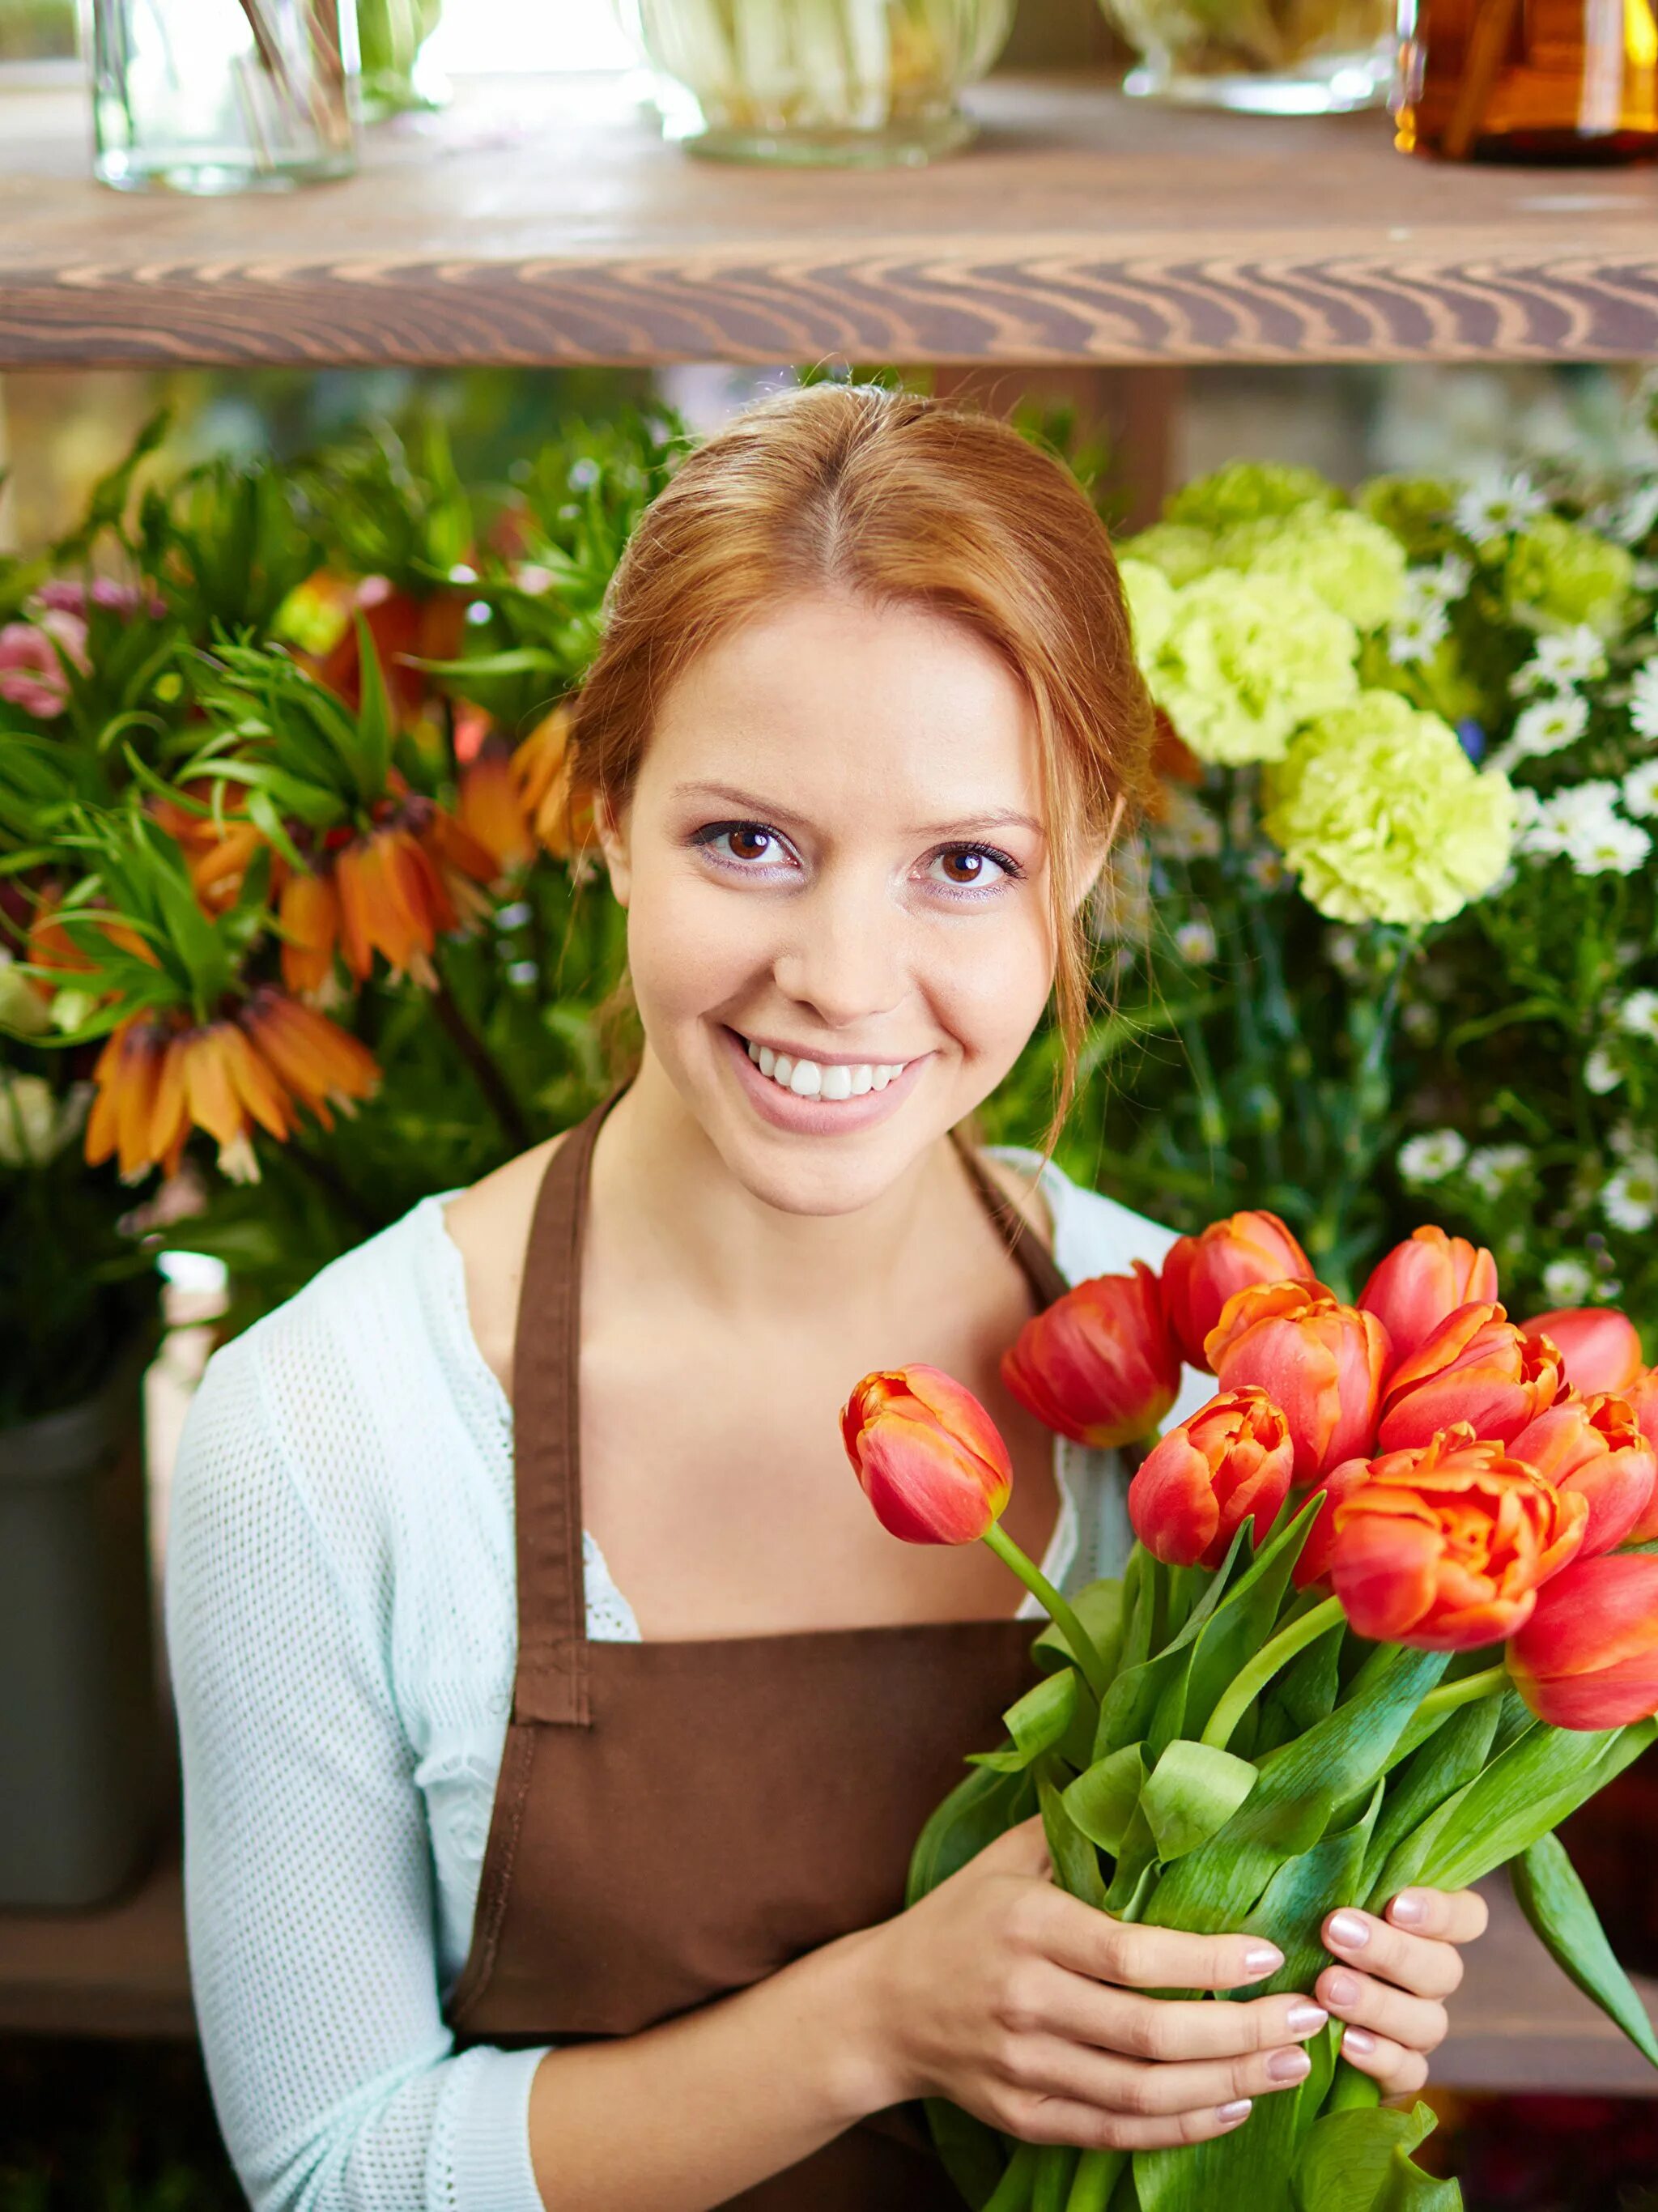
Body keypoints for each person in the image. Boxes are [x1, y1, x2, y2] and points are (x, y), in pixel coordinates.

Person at [166, 381, 1487, 2212]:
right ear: (607, 811)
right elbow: (331, 2168)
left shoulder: (1220, 1370)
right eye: (749, 842)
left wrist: (1304, 1992)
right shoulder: (324, 1433)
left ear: (1084, 860)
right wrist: (876, 2021)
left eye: (965, 864)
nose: (841, 978)